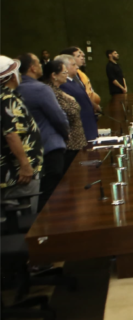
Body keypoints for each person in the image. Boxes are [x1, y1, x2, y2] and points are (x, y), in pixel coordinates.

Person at [16, 55, 68, 208]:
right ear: (32, 67)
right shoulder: (40, 88)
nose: (41, 66)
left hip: (26, 148)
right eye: (38, 63)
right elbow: (58, 117)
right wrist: (65, 135)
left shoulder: (14, 90)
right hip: (50, 145)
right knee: (52, 193)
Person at [1, 56, 44, 211]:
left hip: (13, 172)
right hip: (18, 173)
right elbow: (11, 134)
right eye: (17, 72)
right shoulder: (6, 98)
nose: (20, 75)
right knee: (28, 221)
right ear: (12, 75)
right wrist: (25, 165)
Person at [42, 60, 85, 172]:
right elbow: (67, 113)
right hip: (68, 143)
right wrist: (74, 103)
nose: (67, 75)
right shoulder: (49, 91)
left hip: (74, 141)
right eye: (64, 73)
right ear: (54, 76)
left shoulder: (57, 90)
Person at [55, 55, 97, 142]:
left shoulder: (73, 81)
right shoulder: (63, 85)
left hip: (89, 126)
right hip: (80, 130)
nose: (77, 67)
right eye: (73, 65)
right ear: (64, 67)